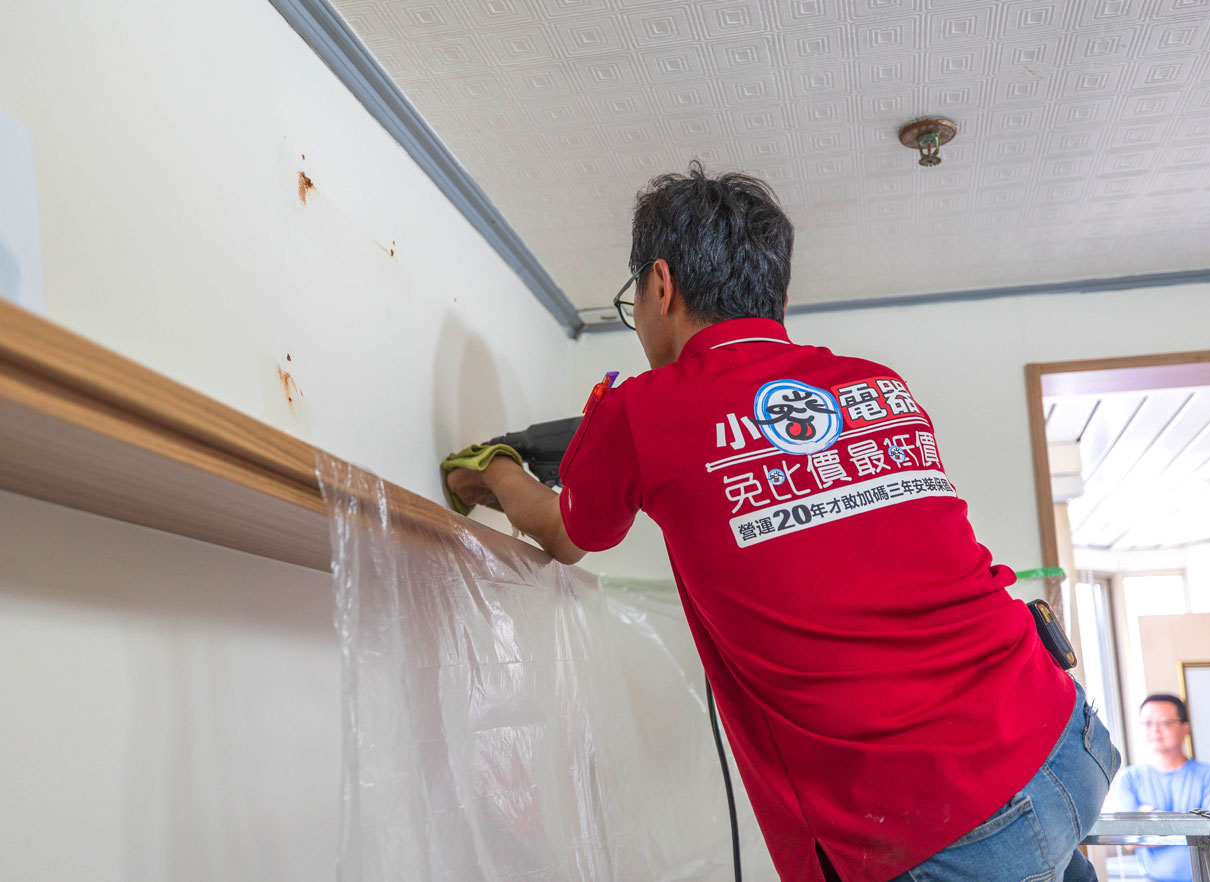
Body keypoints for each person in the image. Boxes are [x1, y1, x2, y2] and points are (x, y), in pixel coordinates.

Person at [447, 162, 1121, 882]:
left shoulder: (641, 411)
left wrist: (490, 470)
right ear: (780, 297)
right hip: (1061, 738)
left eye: (635, 294)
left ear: (661, 286)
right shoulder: (877, 385)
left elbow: (562, 535)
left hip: (937, 822)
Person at [1111, 694, 1210, 882]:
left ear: (1186, 728)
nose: (1155, 730)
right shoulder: (1128, 778)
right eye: (1147, 723)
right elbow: (1129, 839)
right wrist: (1188, 824)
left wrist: (1148, 814)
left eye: (1165, 722)